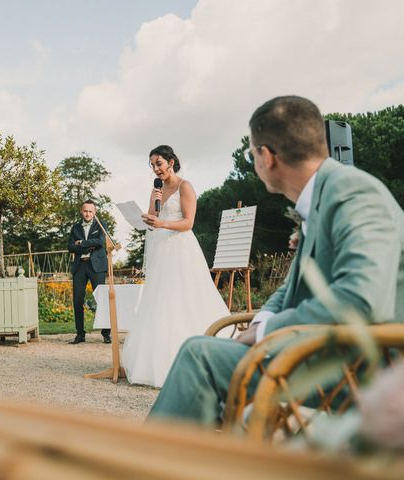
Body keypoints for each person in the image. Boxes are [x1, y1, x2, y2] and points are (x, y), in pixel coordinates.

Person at [149, 95, 404, 424]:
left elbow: (360, 299)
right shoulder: (321, 196)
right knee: (198, 347)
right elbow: (292, 285)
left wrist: (269, 330)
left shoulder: (352, 193)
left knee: (200, 357)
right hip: (322, 353)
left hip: (361, 372)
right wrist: (258, 324)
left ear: (266, 157)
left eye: (250, 153)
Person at [121, 146, 229, 388]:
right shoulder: (156, 190)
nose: (155, 169)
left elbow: (188, 223)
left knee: (182, 299)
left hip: (181, 250)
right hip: (161, 250)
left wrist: (162, 223)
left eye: (158, 163)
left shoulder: (185, 187)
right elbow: (151, 221)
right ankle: (156, 362)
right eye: (152, 165)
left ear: (171, 162)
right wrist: (149, 218)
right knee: (159, 302)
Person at [67, 200, 111, 344]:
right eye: (85, 211)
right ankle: (80, 334)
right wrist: (86, 246)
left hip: (96, 266)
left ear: (94, 212)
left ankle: (106, 333)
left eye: (90, 211)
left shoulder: (101, 225)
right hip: (80, 266)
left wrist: (82, 243)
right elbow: (70, 247)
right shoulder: (75, 227)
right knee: (77, 300)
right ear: (81, 211)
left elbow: (100, 242)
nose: (88, 214)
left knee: (102, 300)